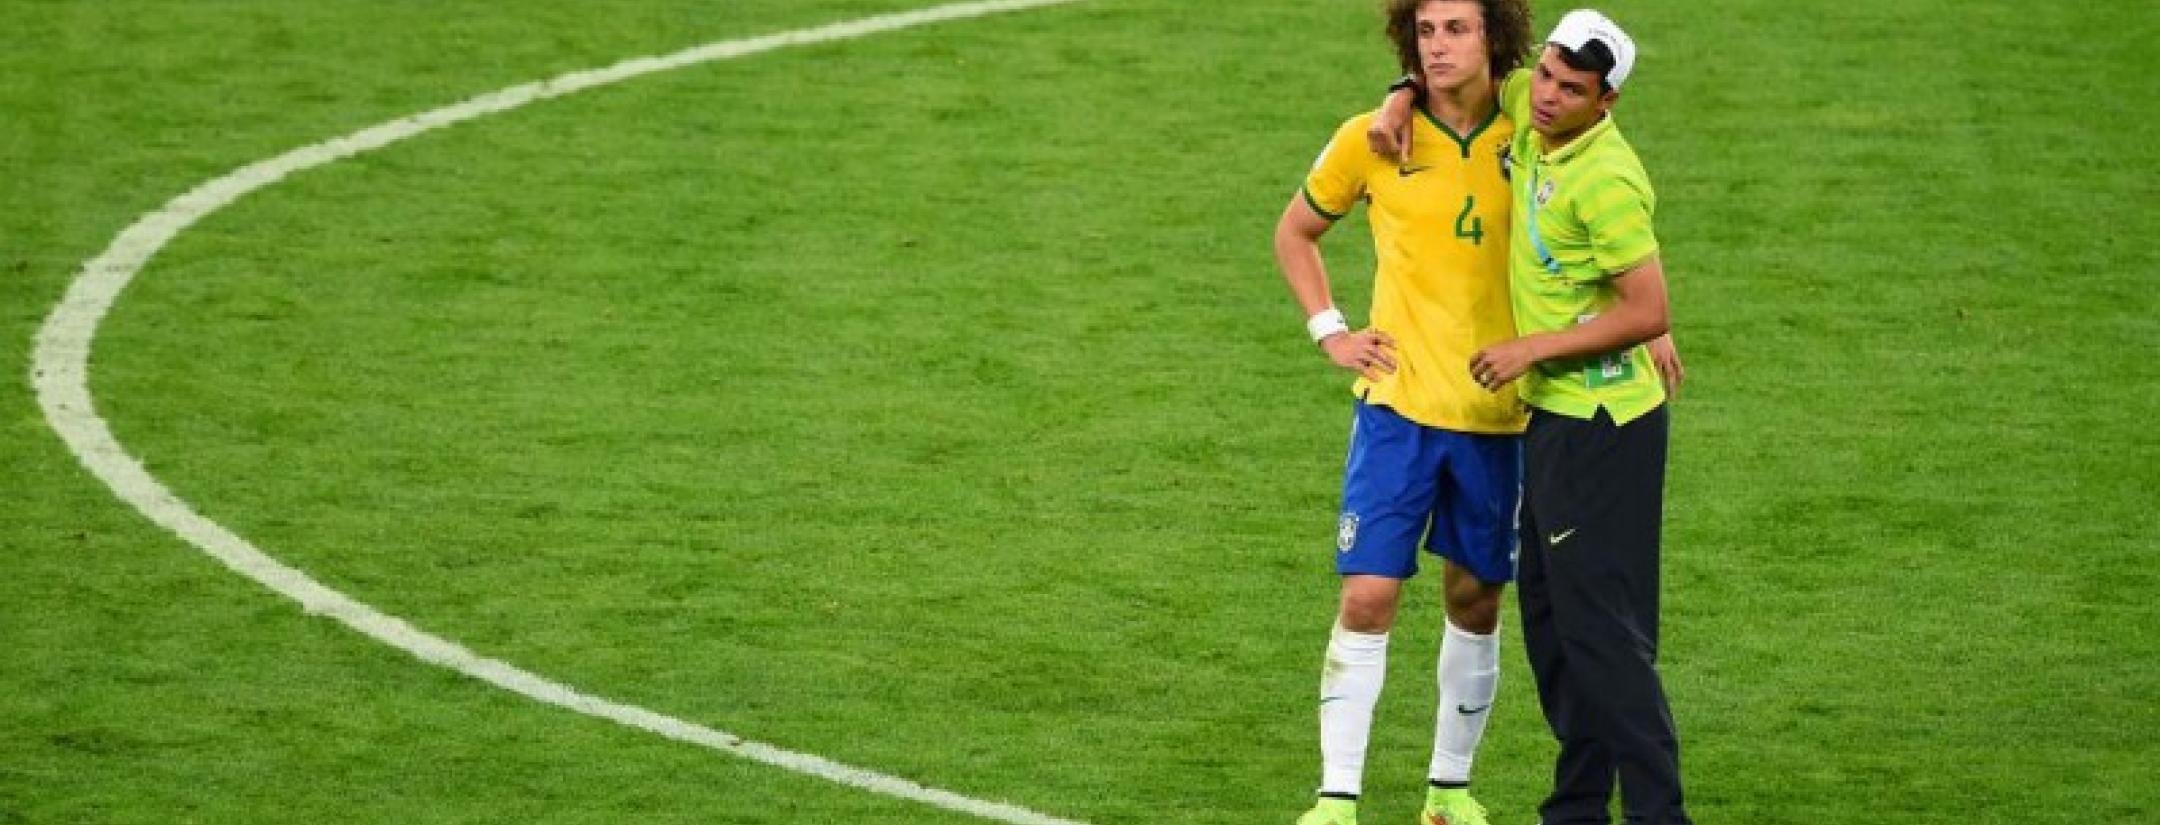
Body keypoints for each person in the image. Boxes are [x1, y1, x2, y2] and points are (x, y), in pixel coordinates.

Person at [1373, 9, 1694, 824]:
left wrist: (1529, 350)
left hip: (1602, 425)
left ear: (1606, 101)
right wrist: (1397, 97)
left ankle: (1660, 814)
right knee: (1552, 628)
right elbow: (1461, 81)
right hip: (1555, 420)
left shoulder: (1607, 178)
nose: (1547, 96)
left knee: (1602, 634)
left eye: (1571, 89)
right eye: (1547, 75)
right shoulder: (1529, 101)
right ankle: (1578, 806)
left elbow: (1649, 304)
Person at [1270, 3, 1536, 824]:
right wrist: (1332, 332)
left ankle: (1448, 791)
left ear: (1494, 34)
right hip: (1397, 410)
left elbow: (1598, 110)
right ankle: (1336, 798)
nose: (1438, 45)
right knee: (1368, 596)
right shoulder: (1373, 137)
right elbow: (1296, 232)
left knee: (1477, 600)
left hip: (1501, 416)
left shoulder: (1533, 122)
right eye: (1426, 31)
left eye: (1457, 28)